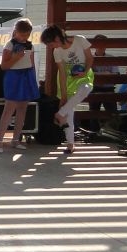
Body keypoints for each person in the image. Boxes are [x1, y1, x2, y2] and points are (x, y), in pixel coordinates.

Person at [42, 23, 94, 155]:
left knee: (86, 88)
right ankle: (70, 143)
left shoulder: (80, 40)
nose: (51, 47)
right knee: (68, 111)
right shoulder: (57, 51)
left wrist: (85, 71)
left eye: (51, 43)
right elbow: (62, 73)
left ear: (57, 38)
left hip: (83, 74)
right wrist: (64, 95)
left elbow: (89, 58)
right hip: (67, 78)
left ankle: (60, 113)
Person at [0, 19, 38, 153]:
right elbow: (4, 66)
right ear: (16, 32)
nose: (25, 37)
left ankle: (16, 139)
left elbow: (32, 63)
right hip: (13, 77)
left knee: (22, 109)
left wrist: (33, 80)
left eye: (27, 35)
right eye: (22, 35)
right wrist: (16, 57)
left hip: (27, 75)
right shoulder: (10, 45)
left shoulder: (30, 45)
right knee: (9, 109)